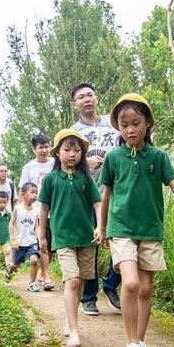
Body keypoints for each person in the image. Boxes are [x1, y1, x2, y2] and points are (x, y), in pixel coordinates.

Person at [97, 93, 174, 347]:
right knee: (130, 284)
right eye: (124, 124)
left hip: (150, 229)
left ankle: (139, 342)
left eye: (135, 123)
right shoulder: (113, 158)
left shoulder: (158, 156)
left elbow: (171, 181)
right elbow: (106, 194)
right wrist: (102, 227)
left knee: (146, 288)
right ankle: (131, 345)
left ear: (147, 122)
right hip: (121, 229)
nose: (130, 129)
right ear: (118, 127)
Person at [38, 129, 102, 347]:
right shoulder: (51, 179)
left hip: (86, 237)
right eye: (67, 149)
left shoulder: (86, 179)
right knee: (72, 280)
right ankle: (74, 332)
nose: (72, 154)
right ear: (57, 153)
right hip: (63, 237)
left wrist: (100, 227)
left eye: (77, 150)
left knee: (82, 281)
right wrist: (41, 236)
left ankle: (70, 319)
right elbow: (44, 209)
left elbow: (97, 203)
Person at [70, 82, 122, 316]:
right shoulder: (74, 133)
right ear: (75, 105)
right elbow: (64, 164)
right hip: (88, 195)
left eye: (90, 95)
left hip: (117, 192)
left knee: (122, 239)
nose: (87, 99)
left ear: (97, 98)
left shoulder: (114, 125)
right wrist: (85, 163)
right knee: (91, 245)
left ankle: (111, 284)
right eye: (81, 97)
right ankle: (88, 297)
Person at [18, 133, 55, 291]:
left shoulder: (55, 163)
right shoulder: (28, 167)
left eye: (47, 146)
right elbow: (22, 191)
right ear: (34, 149)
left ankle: (42, 273)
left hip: (56, 209)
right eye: (41, 147)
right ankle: (46, 276)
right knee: (43, 243)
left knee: (52, 245)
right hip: (38, 211)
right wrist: (22, 212)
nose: (44, 150)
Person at [6, 182, 41, 292]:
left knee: (34, 260)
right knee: (15, 265)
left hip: (31, 240)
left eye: (36, 193)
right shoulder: (17, 208)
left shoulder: (36, 210)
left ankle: (31, 283)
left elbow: (37, 226)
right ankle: (9, 269)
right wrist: (13, 239)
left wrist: (40, 239)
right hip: (19, 241)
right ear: (24, 194)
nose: (35, 195)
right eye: (32, 192)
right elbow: (11, 224)